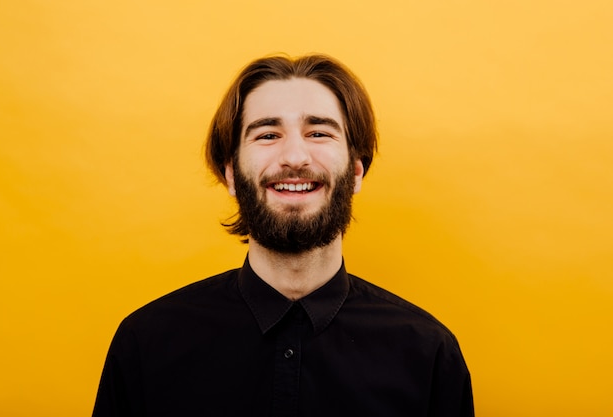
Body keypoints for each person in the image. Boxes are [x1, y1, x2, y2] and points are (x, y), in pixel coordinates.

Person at [92, 54, 474, 417]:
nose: (295, 156)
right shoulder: (145, 345)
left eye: (319, 132)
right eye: (268, 135)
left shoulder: (429, 354)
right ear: (230, 175)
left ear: (356, 172)